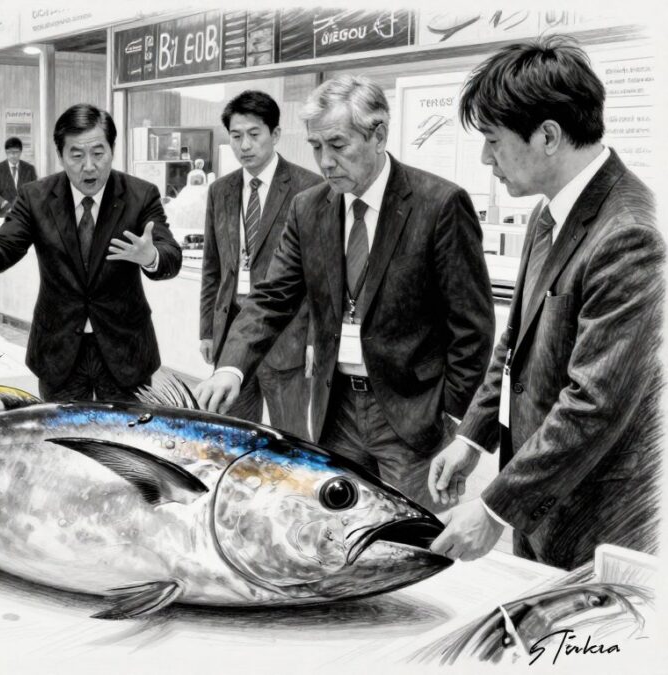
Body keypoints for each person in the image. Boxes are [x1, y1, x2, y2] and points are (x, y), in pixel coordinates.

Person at [193, 76, 494, 512]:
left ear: (378, 136)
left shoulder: (439, 204)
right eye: (316, 147)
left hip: (411, 416)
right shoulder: (310, 207)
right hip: (336, 410)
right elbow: (273, 297)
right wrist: (231, 368)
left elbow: (473, 327)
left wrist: (450, 417)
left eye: (337, 144)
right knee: (341, 532)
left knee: (413, 537)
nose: (325, 161)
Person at [428, 37, 663, 570]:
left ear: (549, 136)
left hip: (598, 515)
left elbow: (595, 404)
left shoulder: (631, 234)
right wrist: (473, 438)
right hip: (539, 501)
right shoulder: (548, 213)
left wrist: (494, 507)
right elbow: (516, 345)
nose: (486, 158)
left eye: (492, 140)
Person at [0, 104, 182, 402]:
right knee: (62, 442)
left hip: (125, 349)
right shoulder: (36, 196)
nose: (89, 166)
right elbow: (6, 246)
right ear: (61, 155)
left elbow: (170, 255)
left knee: (125, 442)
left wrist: (150, 257)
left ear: (113, 149)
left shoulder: (140, 194)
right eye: (77, 155)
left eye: (98, 153)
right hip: (59, 348)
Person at [200, 90, 322, 436]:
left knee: (291, 436)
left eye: (254, 134)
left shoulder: (308, 188)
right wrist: (208, 329)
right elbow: (213, 266)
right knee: (235, 432)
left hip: (288, 336)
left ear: (276, 135)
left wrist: (315, 338)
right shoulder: (220, 190)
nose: (245, 145)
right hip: (232, 331)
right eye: (236, 136)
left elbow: (320, 274)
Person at [0, 136, 37, 216]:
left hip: (25, 213)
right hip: (4, 212)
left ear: (20, 152)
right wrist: (3, 202)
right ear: (6, 152)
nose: (13, 155)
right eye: (10, 152)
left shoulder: (29, 169)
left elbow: (34, 191)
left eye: (16, 152)